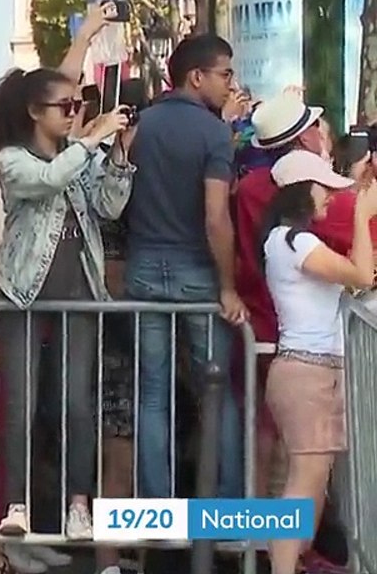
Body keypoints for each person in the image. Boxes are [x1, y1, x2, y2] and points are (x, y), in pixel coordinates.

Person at [0, 68, 135, 539]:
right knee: (21, 402)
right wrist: (90, 142)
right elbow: (47, 180)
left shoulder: (80, 155)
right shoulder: (12, 158)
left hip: (80, 289)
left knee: (76, 403)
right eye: (65, 106)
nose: (75, 114)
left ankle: (78, 506)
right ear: (35, 111)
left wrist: (119, 151)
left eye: (79, 106)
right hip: (23, 290)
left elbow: (110, 205)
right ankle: (17, 505)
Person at [125, 34, 245, 500]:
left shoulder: (142, 126)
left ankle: (158, 510)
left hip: (143, 267)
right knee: (216, 391)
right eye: (224, 74)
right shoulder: (214, 133)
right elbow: (216, 217)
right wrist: (228, 286)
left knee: (152, 393)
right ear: (197, 76)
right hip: (196, 269)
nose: (230, 83)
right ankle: (226, 507)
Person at [259, 151, 377, 574]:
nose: (330, 197)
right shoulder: (296, 242)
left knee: (308, 486)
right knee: (303, 485)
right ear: (302, 190)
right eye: (324, 189)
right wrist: (362, 213)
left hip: (310, 373)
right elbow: (361, 275)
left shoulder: (286, 241)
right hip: (308, 375)